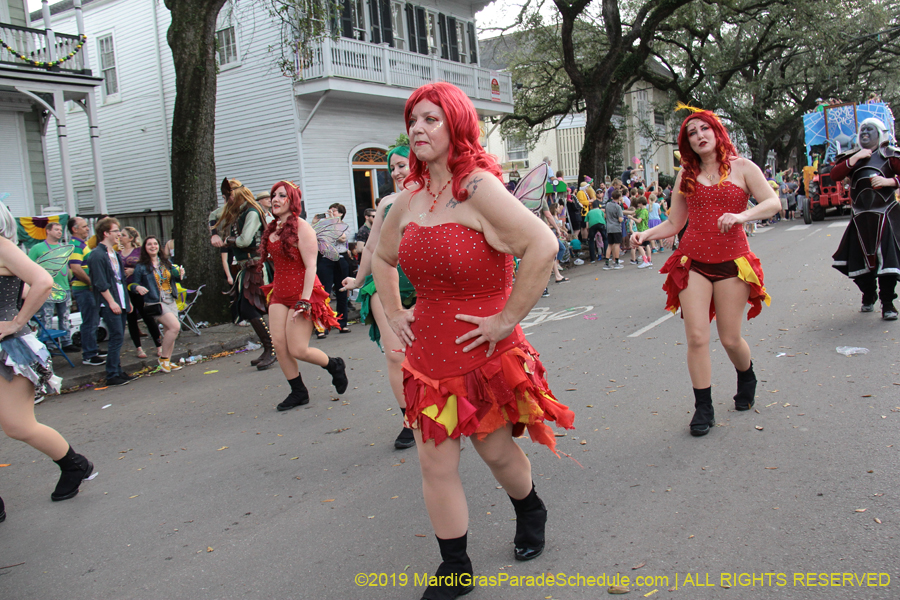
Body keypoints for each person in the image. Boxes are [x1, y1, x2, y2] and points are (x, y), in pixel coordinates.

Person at [372, 82, 575, 600]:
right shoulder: (409, 198)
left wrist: (507, 319)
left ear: (456, 125)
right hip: (428, 358)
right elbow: (382, 257)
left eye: (431, 119)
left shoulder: (478, 187)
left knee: (496, 452)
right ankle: (455, 567)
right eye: (413, 119)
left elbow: (543, 244)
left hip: (481, 355)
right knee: (433, 462)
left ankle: (530, 507)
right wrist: (395, 312)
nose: (418, 128)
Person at [633, 107, 780, 437]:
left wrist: (742, 217)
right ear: (687, 143)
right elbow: (674, 223)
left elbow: (773, 203)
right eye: (691, 133)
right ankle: (704, 407)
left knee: (730, 338)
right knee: (697, 337)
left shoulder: (743, 168)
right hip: (693, 263)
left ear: (716, 132)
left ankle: (746, 375)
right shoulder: (685, 176)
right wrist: (645, 235)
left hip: (732, 264)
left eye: (704, 130)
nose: (699, 136)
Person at [0, 202, 96, 511]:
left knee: (19, 426)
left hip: (9, 350)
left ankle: (74, 465)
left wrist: (15, 321)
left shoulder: (1, 245)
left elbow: (41, 281)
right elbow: (27, 287)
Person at [341, 143, 418, 449]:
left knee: (433, 355)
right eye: (393, 167)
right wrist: (357, 280)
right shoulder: (387, 202)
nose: (398, 172)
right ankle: (409, 419)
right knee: (396, 355)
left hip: (426, 288)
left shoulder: (434, 196)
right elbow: (372, 247)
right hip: (385, 286)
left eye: (403, 164)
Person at [257, 181, 347, 411]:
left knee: (298, 349)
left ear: (292, 200)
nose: (275, 199)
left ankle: (334, 365)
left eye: (281, 195)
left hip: (303, 293)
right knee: (279, 345)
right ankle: (298, 391)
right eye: (273, 195)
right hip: (279, 293)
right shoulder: (272, 227)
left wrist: (304, 301)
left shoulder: (303, 227)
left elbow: (311, 266)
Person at [831, 117, 900, 320]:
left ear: (880, 133)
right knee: (858, 264)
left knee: (887, 263)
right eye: (862, 130)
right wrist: (855, 159)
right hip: (860, 219)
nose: (865, 134)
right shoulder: (852, 156)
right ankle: (868, 295)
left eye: (870, 130)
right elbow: (835, 174)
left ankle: (888, 303)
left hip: (885, 215)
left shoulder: (890, 155)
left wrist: (889, 181)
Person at [210, 179, 276, 370]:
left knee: (252, 309)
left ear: (235, 195)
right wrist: (214, 233)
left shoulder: (252, 212)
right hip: (246, 268)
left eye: (227, 196)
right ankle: (269, 348)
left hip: (255, 267)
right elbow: (213, 215)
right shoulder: (239, 211)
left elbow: (245, 240)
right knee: (249, 309)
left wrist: (227, 240)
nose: (226, 201)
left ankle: (271, 348)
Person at [85, 218, 136, 387]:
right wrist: (112, 302)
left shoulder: (113, 253)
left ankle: (117, 370)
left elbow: (121, 278)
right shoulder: (97, 255)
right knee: (116, 337)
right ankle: (112, 373)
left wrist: (126, 301)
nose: (119, 235)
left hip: (120, 299)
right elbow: (100, 282)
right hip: (110, 302)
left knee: (119, 336)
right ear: (106, 233)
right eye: (116, 232)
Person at [131, 236, 185, 373]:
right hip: (156, 301)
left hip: (170, 299)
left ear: (159, 247)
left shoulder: (166, 262)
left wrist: (181, 274)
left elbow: (175, 278)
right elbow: (132, 284)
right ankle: (163, 358)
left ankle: (167, 361)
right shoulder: (141, 266)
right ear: (145, 247)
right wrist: (137, 288)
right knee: (175, 327)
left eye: (155, 244)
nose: (153, 246)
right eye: (149, 244)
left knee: (169, 331)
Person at [28, 221, 77, 352]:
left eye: (61, 230)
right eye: (56, 229)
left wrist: (69, 277)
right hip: (48, 288)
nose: (59, 232)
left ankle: (67, 342)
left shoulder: (63, 247)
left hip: (65, 286)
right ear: (48, 231)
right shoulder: (37, 248)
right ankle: (48, 345)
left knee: (65, 315)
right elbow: (29, 266)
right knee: (47, 316)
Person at [67, 217, 106, 366]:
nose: (87, 228)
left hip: (88, 289)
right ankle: (89, 354)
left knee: (94, 320)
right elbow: (76, 268)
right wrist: (91, 283)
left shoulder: (82, 244)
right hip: (84, 289)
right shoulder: (75, 245)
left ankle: (93, 349)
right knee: (89, 321)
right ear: (74, 229)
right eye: (83, 226)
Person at [119, 227, 161, 359]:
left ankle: (159, 345)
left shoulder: (138, 252)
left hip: (140, 288)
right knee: (131, 319)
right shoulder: (118, 252)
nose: (120, 237)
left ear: (131, 238)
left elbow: (146, 265)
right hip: (125, 289)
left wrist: (133, 270)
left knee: (148, 317)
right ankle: (139, 348)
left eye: (124, 235)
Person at [315, 203, 351, 335]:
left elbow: (341, 237)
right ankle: (322, 325)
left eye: (334, 211)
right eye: (329, 211)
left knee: (342, 291)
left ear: (341, 214)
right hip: (326, 259)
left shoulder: (344, 226)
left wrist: (333, 223)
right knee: (324, 292)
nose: (331, 213)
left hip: (340, 259)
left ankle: (342, 323)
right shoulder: (324, 226)